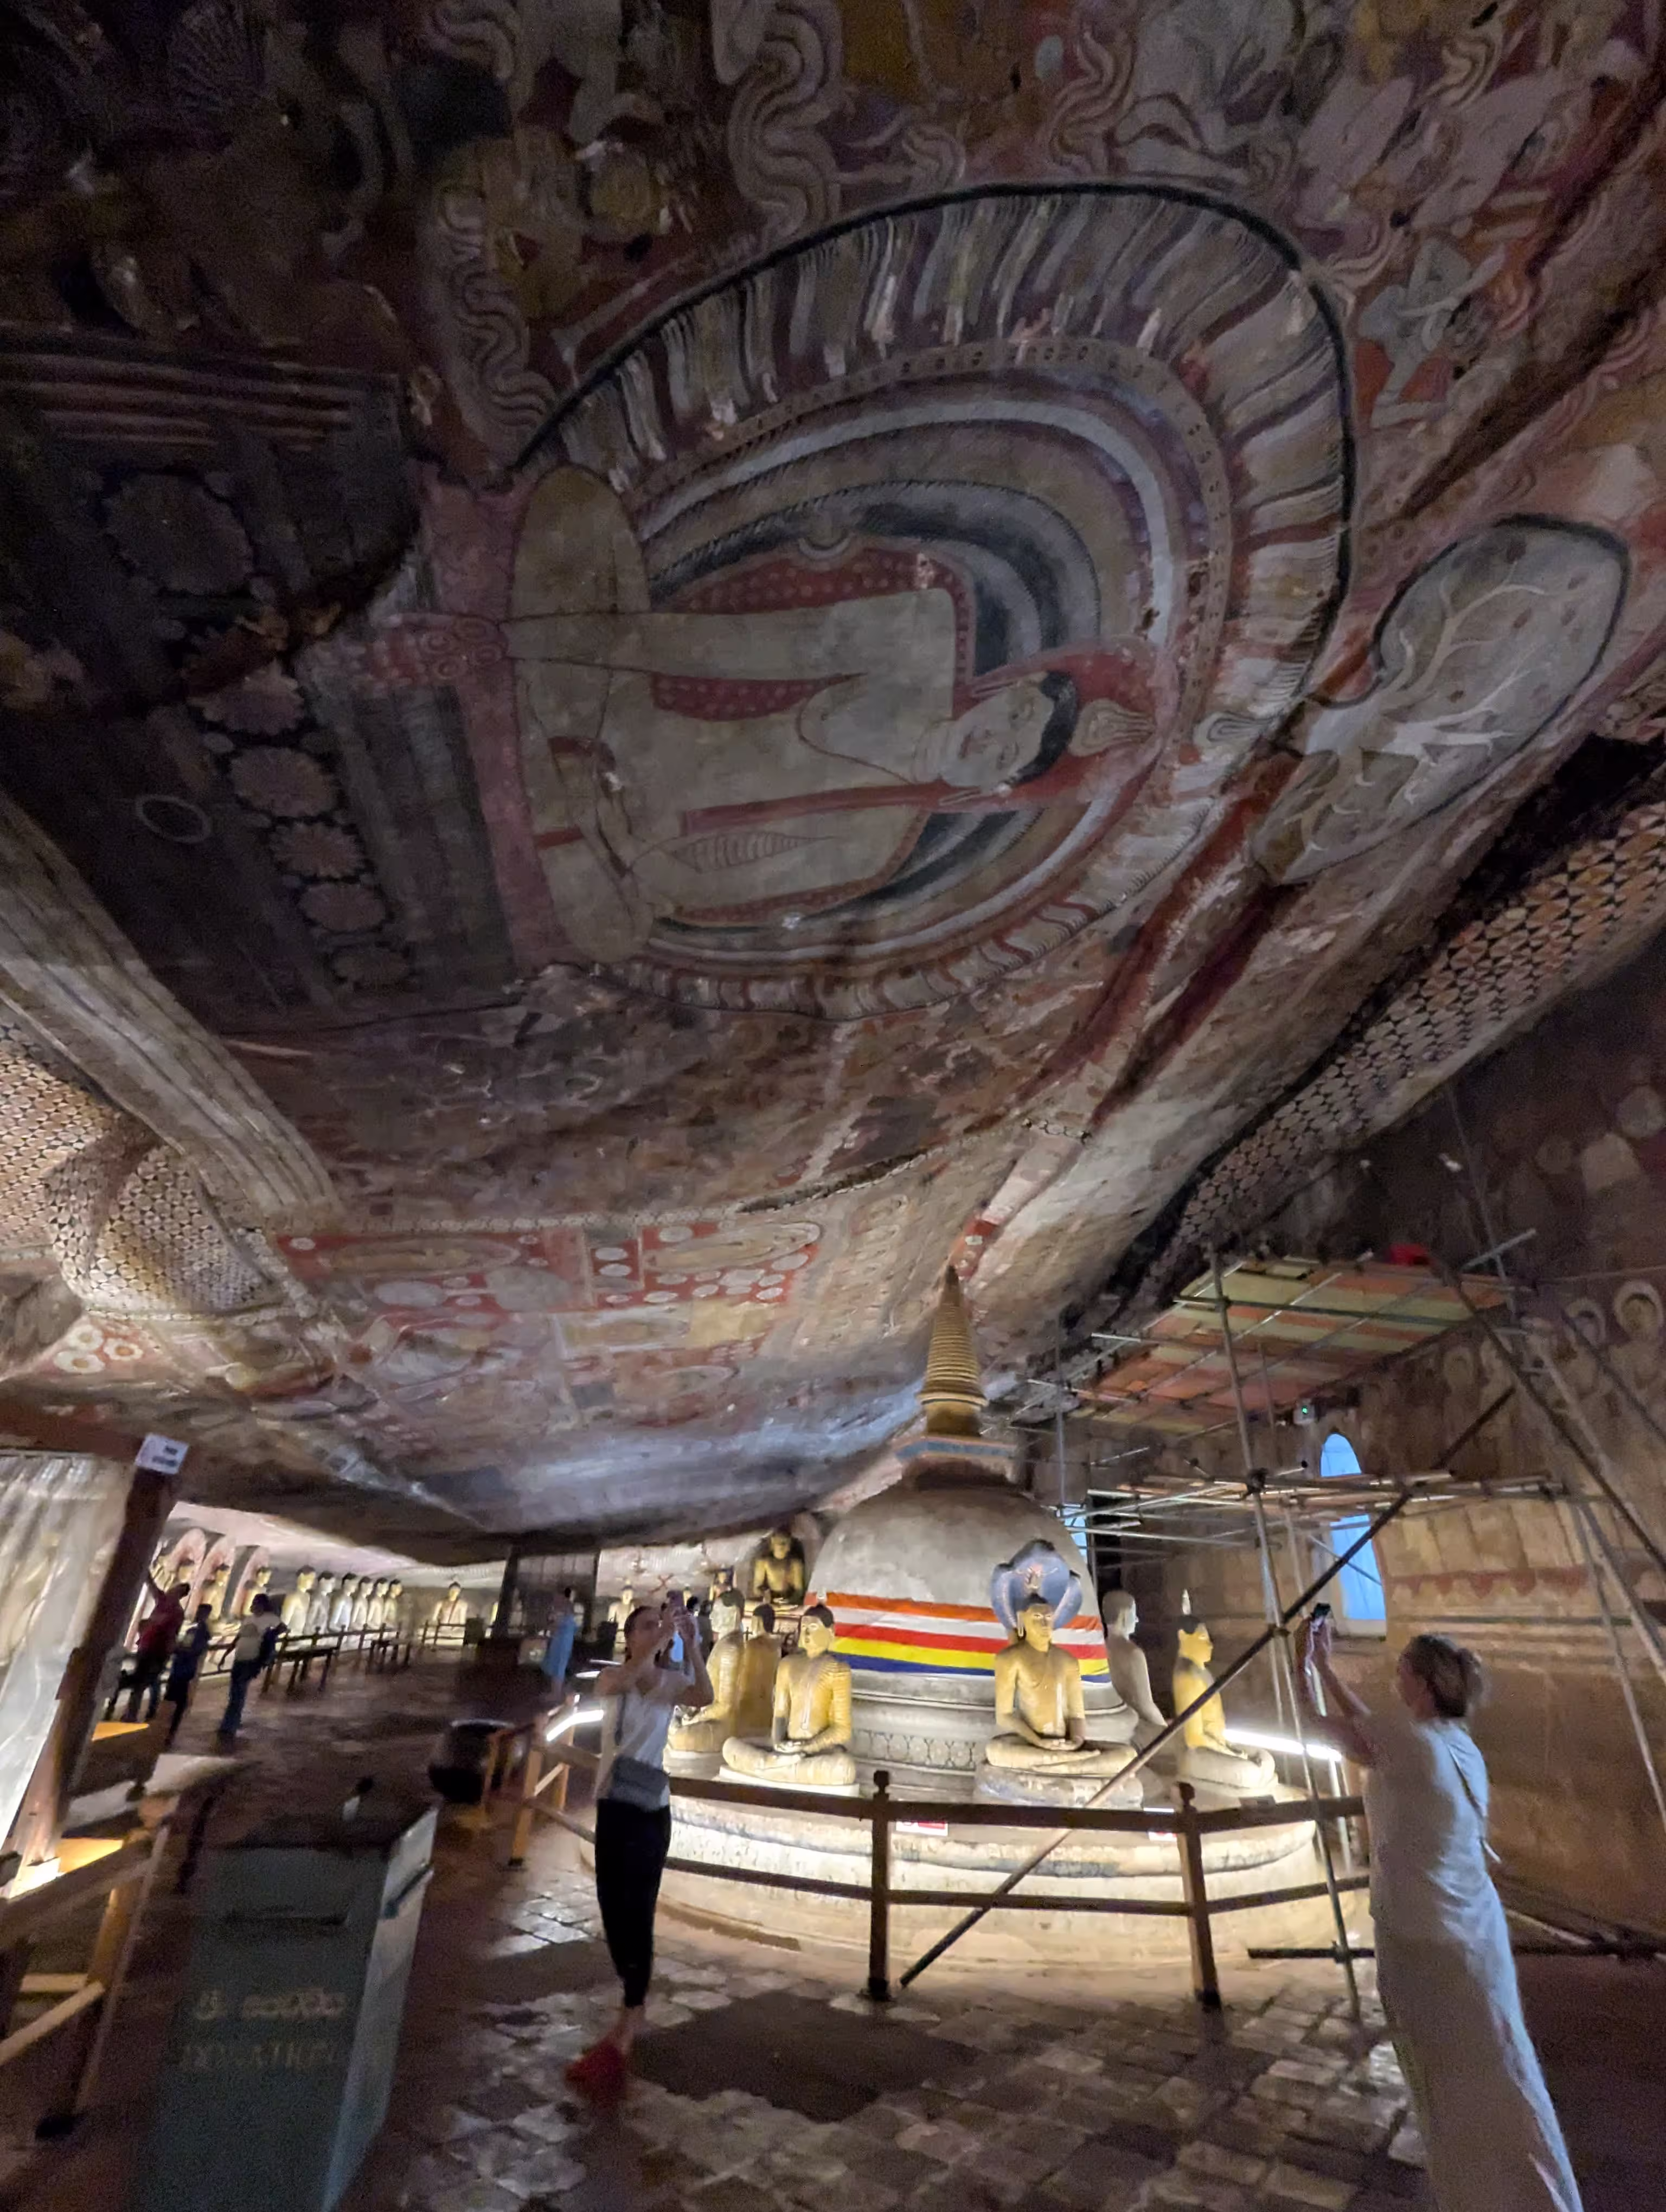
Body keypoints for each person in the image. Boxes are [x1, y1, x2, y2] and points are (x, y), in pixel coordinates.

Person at [1296, 1616, 1582, 2212]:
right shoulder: (1453, 1743)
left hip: (1426, 1941)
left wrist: (1302, 1666)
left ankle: (1486, 2197)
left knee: (1453, 2089)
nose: (1393, 1674)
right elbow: (1371, 1733)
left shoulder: (1411, 1743)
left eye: (1401, 1667)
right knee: (1502, 2073)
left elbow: (1325, 1728)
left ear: (1421, 1683)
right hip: (1475, 1936)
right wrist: (1326, 1668)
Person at [567, 1597, 712, 2101]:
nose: (657, 1631)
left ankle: (630, 2017)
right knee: (612, 1904)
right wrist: (652, 1648)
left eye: (660, 1624)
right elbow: (627, 1682)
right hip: (614, 1804)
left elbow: (706, 1696)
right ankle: (631, 1995)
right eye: (647, 1626)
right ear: (629, 1637)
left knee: (639, 1909)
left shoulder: (670, 1684)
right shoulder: (615, 1679)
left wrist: (692, 1647)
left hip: (651, 1809)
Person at [216, 1594, 281, 1744]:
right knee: (234, 1692)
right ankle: (231, 1721)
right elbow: (238, 1637)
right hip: (240, 1658)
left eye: (257, 1604)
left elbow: (282, 1628)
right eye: (254, 1603)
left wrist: (270, 1635)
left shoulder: (270, 1618)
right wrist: (226, 1655)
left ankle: (230, 1725)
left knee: (239, 1691)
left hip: (252, 1659)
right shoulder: (248, 1619)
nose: (254, 1606)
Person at [125, 1573, 189, 1722]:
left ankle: (135, 1714)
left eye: (177, 1589)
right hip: (146, 1646)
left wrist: (167, 1653)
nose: (172, 1590)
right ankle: (139, 1712)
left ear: (180, 1595)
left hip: (157, 1651)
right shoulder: (163, 1600)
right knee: (145, 1681)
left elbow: (172, 1634)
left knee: (143, 1682)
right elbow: (152, 1586)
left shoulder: (177, 1612)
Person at [163, 1603, 214, 1745]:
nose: (198, 1614)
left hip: (184, 1668)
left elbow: (193, 1650)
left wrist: (178, 1649)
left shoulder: (201, 1633)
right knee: (176, 1699)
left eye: (201, 1612)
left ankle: (170, 1730)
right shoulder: (194, 1630)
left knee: (177, 1700)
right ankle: (169, 1729)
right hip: (182, 1667)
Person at [541, 1586, 578, 1692]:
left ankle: (556, 1693)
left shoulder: (567, 1611)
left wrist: (553, 1625)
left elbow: (558, 1624)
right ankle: (554, 1691)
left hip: (563, 1642)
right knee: (554, 1665)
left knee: (559, 1666)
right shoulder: (560, 1610)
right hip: (558, 1641)